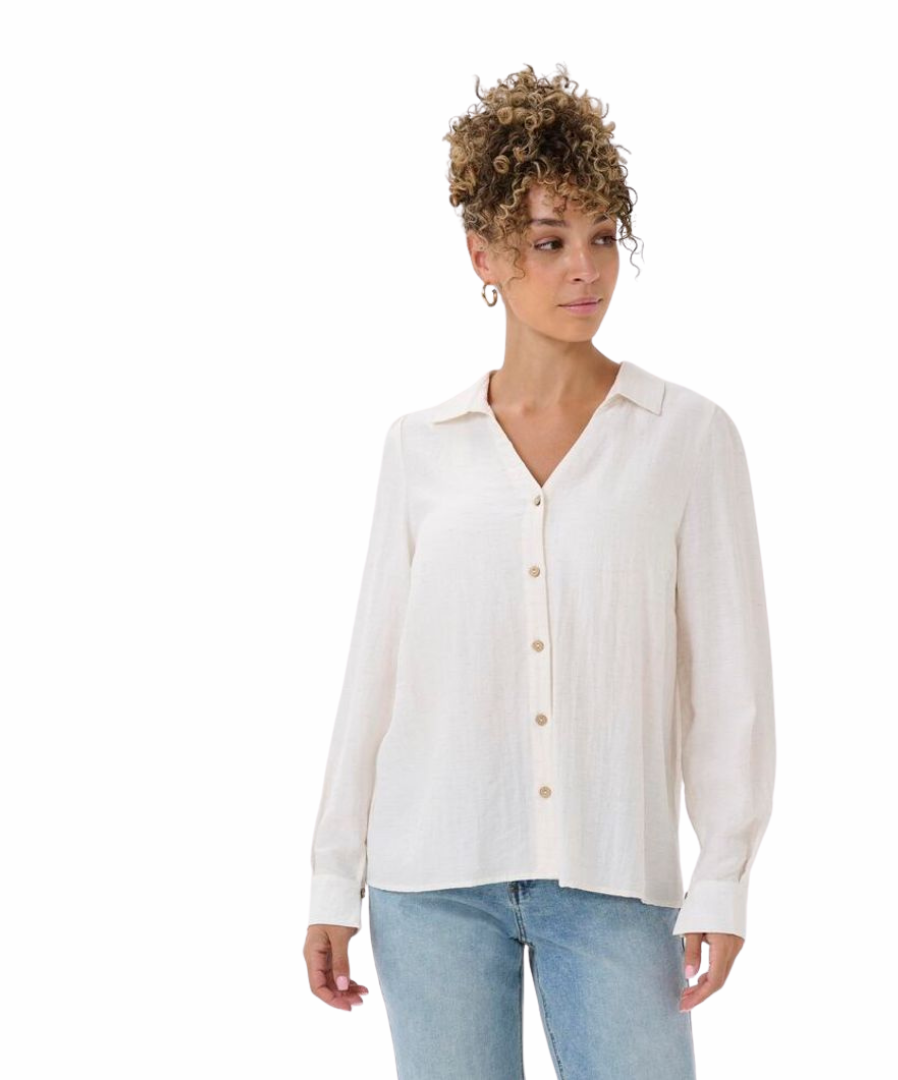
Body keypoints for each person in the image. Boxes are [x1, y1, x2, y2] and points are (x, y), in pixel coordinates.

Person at [302, 62, 776, 1079]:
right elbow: (373, 673)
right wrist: (332, 876)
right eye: (550, 241)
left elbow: (730, 685)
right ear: (484, 254)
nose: (585, 270)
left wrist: (723, 877)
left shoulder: (686, 436)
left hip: (615, 880)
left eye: (603, 237)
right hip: (431, 885)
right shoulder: (420, 447)